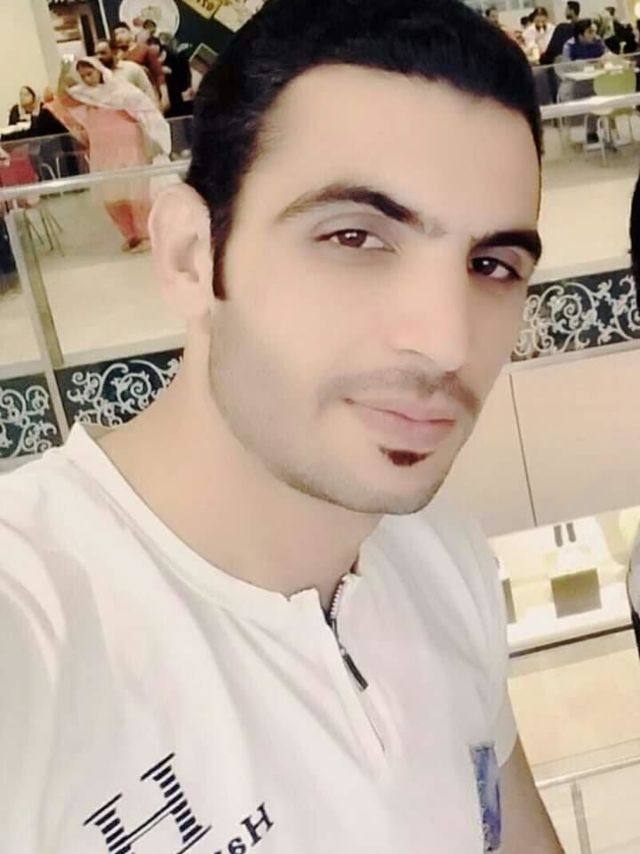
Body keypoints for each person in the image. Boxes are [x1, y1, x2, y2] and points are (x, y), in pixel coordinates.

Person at [0, 1, 563, 851]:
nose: (448, 340)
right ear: (191, 255)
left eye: (491, 264)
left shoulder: (444, 562)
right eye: (355, 237)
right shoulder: (36, 626)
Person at [56, 56, 170, 252]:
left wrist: (155, 135)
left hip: (127, 144)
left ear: (99, 70)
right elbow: (63, 97)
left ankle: (146, 234)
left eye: (90, 74)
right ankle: (130, 234)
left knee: (135, 189)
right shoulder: (83, 94)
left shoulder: (120, 90)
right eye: (83, 76)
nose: (87, 79)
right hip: (102, 148)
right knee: (110, 193)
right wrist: (63, 72)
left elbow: (145, 110)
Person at [113, 22, 170, 113]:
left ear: (130, 33)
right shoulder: (115, 56)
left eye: (122, 32)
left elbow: (158, 74)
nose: (119, 37)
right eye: (116, 34)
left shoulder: (145, 49)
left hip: (147, 94)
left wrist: (164, 96)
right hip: (127, 99)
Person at [94, 38, 158, 103]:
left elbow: (148, 93)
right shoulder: (97, 77)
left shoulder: (132, 68)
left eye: (103, 53)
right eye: (96, 54)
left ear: (114, 52)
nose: (99, 57)